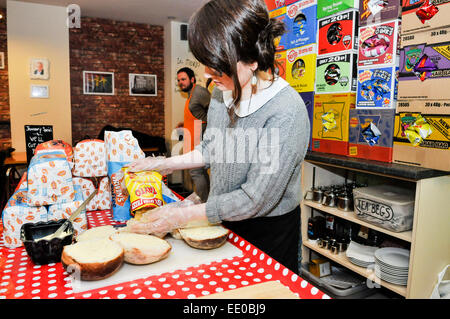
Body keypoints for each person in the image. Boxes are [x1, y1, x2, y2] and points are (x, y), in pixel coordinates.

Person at [126, 0, 310, 274]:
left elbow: (254, 199)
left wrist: (182, 215)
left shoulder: (285, 112)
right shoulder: (221, 92)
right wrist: (162, 164)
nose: (206, 74)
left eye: (216, 66)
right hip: (222, 216)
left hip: (269, 232)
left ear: (252, 58)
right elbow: (213, 147)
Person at [176, 67, 211, 202]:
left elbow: (213, 112)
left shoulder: (200, 92)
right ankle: (207, 201)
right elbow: (198, 115)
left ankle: (203, 204)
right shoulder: (190, 94)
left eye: (183, 79)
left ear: (192, 79)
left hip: (200, 138)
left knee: (196, 171)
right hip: (193, 137)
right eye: (179, 80)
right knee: (199, 172)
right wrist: (184, 125)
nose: (180, 82)